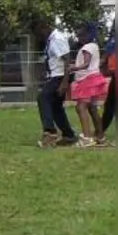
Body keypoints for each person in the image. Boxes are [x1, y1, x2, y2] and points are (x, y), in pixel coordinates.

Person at [37, 20, 78, 148]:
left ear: (45, 27)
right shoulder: (51, 40)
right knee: (56, 107)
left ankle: (50, 132)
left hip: (60, 77)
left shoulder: (57, 38)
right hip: (55, 75)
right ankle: (69, 135)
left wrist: (64, 82)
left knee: (43, 97)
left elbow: (67, 59)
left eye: (39, 32)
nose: (39, 35)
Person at [68, 23, 110, 146]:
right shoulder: (94, 46)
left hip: (87, 79)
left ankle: (86, 138)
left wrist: (73, 68)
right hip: (94, 78)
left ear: (89, 34)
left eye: (81, 35)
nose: (79, 38)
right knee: (92, 108)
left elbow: (86, 64)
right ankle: (100, 137)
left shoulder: (87, 47)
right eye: (78, 35)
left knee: (80, 107)